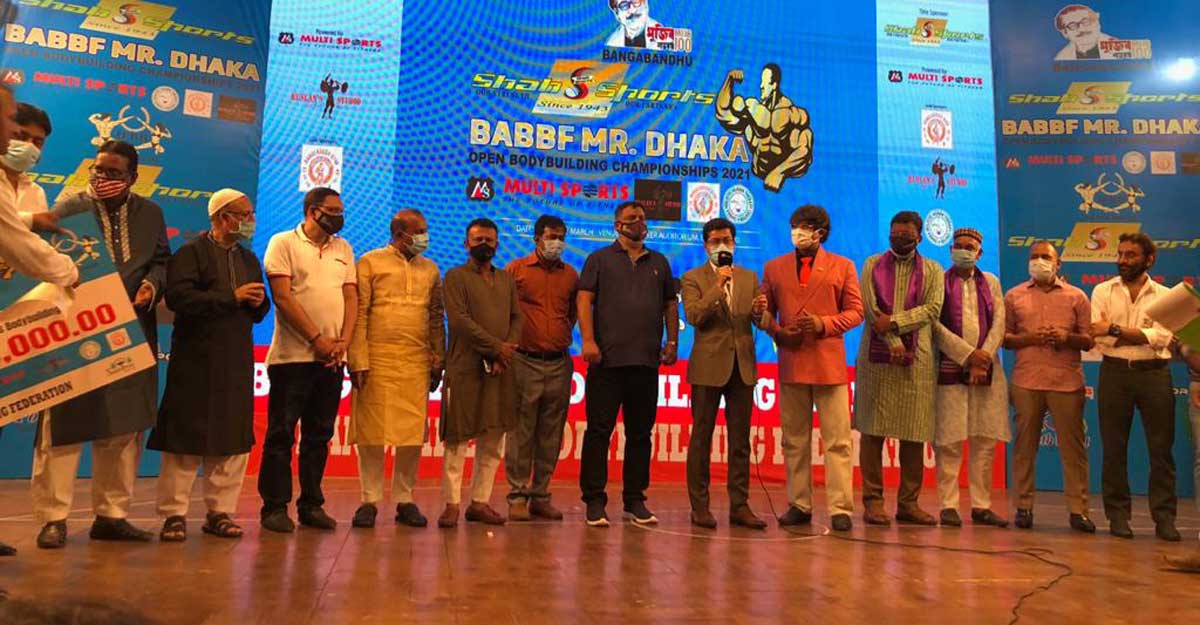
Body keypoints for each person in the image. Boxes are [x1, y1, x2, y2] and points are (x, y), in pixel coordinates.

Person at [31, 139, 170, 549]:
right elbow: (40, 260)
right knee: (62, 427)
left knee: (123, 426)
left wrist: (151, 285)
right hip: (76, 329)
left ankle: (111, 516)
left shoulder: (151, 213)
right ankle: (53, 518)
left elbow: (162, 260)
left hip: (131, 329)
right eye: (98, 170)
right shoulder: (68, 208)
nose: (102, 178)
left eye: (113, 173)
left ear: (132, 177)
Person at [147, 189, 269, 541]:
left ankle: (220, 512)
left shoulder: (248, 258)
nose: (250, 221)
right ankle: (174, 515)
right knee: (184, 440)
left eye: (250, 214)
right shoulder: (190, 253)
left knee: (231, 439)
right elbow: (179, 298)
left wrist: (258, 303)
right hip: (195, 359)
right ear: (222, 217)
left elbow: (260, 310)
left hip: (235, 359)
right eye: (243, 214)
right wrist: (231, 297)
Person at [0, 88, 78, 557]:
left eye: (37, 141)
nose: (27, 145)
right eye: (19, 132)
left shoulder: (30, 188)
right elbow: (17, 239)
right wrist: (68, 271)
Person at [759, 205, 862, 532]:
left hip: (829, 365)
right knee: (794, 440)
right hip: (792, 361)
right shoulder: (773, 268)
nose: (797, 232)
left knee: (838, 441)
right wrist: (777, 332)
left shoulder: (843, 266)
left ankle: (840, 507)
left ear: (821, 233)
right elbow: (763, 313)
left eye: (804, 227)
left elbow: (856, 312)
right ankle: (799, 504)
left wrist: (823, 324)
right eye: (794, 226)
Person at [259, 187, 356, 533]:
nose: (339, 216)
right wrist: (317, 340)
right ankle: (274, 507)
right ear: (313, 211)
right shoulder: (283, 242)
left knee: (319, 435)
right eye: (333, 210)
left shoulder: (343, 248)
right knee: (281, 435)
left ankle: (311, 505)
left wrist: (342, 342)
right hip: (292, 358)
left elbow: (351, 297)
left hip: (332, 360)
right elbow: (283, 298)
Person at [578, 201, 678, 527]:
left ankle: (635, 500)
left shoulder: (659, 262)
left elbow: (670, 304)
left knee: (640, 434)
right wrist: (588, 341)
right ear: (617, 225)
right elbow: (584, 300)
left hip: (646, 362)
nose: (639, 223)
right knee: (599, 432)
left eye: (642, 218)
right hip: (606, 361)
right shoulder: (599, 259)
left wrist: (672, 342)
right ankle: (594, 500)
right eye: (632, 218)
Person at [347, 209, 444, 529]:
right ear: (401, 234)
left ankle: (405, 498)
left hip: (416, 360)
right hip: (376, 359)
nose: (425, 237)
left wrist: (438, 358)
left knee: (411, 434)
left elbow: (435, 317)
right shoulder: (370, 262)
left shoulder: (430, 269)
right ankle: (369, 500)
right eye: (420, 231)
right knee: (371, 433)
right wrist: (357, 358)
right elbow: (360, 312)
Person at [855, 211, 944, 526]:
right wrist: (891, 340)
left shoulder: (933, 269)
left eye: (906, 236)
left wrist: (894, 323)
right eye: (895, 234)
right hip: (875, 359)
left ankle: (908, 503)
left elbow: (932, 309)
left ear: (919, 237)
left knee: (914, 433)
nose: (899, 239)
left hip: (916, 360)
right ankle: (873, 502)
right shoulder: (871, 264)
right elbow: (870, 309)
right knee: (872, 433)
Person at [1089, 233, 1178, 541]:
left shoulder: (1166, 295)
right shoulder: (1102, 291)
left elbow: (1163, 339)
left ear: (1148, 260)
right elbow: (1099, 337)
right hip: (1114, 373)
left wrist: (1115, 329)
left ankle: (1164, 518)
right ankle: (1117, 516)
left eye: (1130, 255)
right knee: (1114, 449)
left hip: (1154, 374)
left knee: (1161, 451)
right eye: (1120, 254)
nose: (1122, 260)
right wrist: (1141, 335)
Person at [680, 218, 767, 530]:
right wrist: (718, 285)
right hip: (708, 367)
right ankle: (700, 506)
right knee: (701, 438)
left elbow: (760, 321)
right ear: (706, 245)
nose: (722, 246)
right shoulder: (692, 277)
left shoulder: (749, 277)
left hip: (742, 366)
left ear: (734, 242)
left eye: (726, 240)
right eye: (715, 241)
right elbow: (694, 316)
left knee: (740, 441)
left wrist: (759, 311)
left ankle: (739, 506)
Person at [1003, 241, 1095, 533]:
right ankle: (1023, 507)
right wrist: (1031, 338)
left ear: (1058, 264)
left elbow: (1088, 340)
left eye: (1046, 257)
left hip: (1066, 382)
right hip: (1026, 381)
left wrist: (1065, 337)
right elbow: (1004, 338)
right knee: (1024, 448)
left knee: (1073, 451)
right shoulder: (1014, 295)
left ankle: (1078, 511)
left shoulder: (1077, 296)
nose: (1039, 261)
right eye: (1035, 256)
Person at [439, 218, 521, 528]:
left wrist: (506, 351)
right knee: (457, 438)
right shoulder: (455, 277)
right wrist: (496, 348)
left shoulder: (506, 279)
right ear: (466, 244)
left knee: (494, 437)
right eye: (478, 240)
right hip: (465, 368)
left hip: (500, 370)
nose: (484, 245)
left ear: (497, 244)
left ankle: (480, 502)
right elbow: (459, 321)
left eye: (489, 240)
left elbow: (517, 318)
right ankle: (451, 504)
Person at [931, 229, 1010, 528]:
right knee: (949, 441)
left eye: (969, 247)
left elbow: (999, 322)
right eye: (959, 246)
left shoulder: (991, 282)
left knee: (984, 439)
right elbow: (935, 326)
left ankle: (981, 505)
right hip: (949, 368)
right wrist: (967, 355)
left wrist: (984, 356)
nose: (963, 251)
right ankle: (948, 505)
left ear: (979, 253)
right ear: (951, 249)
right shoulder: (938, 281)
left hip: (987, 370)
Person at [503, 215, 577, 522]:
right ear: (536, 239)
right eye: (551, 237)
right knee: (521, 432)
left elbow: (572, 315)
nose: (556, 243)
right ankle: (518, 495)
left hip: (559, 363)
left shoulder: (571, 275)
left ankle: (541, 495)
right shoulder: (516, 270)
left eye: (560, 237)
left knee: (551, 433)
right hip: (523, 360)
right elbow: (504, 312)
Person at [715, 64, 812, 192]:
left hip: (790, 188)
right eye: (761, 82)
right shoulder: (754, 112)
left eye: (765, 82)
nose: (761, 86)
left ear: (774, 85)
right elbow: (723, 113)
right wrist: (729, 80)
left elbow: (804, 149)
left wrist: (779, 172)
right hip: (755, 179)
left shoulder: (791, 115)